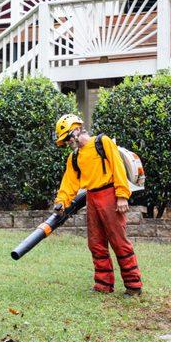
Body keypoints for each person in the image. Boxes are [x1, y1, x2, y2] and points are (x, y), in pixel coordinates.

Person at [53, 114, 142, 297]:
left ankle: (133, 285)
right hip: (92, 198)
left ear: (76, 130)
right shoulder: (74, 157)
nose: (68, 143)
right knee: (95, 243)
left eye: (68, 138)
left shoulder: (103, 142)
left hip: (110, 194)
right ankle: (103, 284)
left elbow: (118, 167)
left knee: (119, 241)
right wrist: (61, 202)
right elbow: (69, 183)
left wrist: (122, 195)